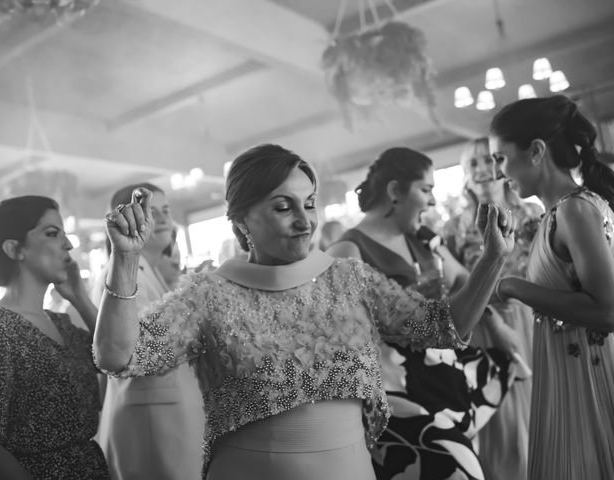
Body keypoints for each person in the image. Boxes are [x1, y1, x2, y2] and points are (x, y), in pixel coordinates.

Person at [93, 144, 515, 480]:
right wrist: (125, 260)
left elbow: (445, 328)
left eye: (309, 203)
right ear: (242, 221)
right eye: (283, 207)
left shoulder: (351, 280)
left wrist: (493, 259)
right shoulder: (209, 294)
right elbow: (118, 356)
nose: (304, 220)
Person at [327, 147, 525, 480]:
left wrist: (495, 323)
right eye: (426, 189)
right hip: (398, 390)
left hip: (447, 373)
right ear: (394, 191)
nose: (433, 201)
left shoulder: (423, 237)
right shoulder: (348, 251)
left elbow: (464, 279)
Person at [490, 95, 614, 479]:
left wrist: (512, 286)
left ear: (536, 151)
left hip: (589, 379)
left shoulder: (574, 210)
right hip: (566, 373)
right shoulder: (555, 214)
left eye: (500, 157)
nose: (497, 172)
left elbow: (607, 311)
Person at [0, 195, 109, 479]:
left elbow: (118, 361)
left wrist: (81, 300)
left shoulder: (64, 326)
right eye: (52, 233)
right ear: (15, 249)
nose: (69, 245)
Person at [443, 137, 540, 480]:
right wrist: (492, 319)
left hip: (535, 320)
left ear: (501, 166)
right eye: (473, 164)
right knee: (502, 416)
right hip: (486, 325)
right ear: (466, 174)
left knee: (542, 404)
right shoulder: (453, 228)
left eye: (488, 161)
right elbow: (453, 289)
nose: (482, 170)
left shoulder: (531, 215)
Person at [92, 183, 204, 480]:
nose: (163, 218)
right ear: (124, 217)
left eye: (166, 211)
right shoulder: (122, 272)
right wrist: (199, 299)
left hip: (167, 410)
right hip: (150, 416)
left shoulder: (151, 271)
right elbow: (137, 343)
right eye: (151, 211)